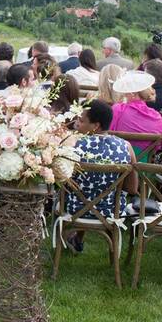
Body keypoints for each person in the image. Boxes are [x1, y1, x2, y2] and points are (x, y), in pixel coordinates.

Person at [64, 100, 138, 252]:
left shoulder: (73, 144)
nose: (77, 123)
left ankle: (69, 237)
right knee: (97, 190)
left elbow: (63, 179)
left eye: (82, 120)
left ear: (95, 125)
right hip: (111, 210)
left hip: (75, 208)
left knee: (79, 190)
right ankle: (77, 239)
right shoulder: (126, 146)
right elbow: (132, 188)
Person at [109, 71, 162, 156]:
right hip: (145, 165)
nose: (124, 94)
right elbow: (157, 146)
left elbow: (108, 134)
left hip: (119, 161)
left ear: (132, 93)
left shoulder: (118, 109)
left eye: (126, 91)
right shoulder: (156, 117)